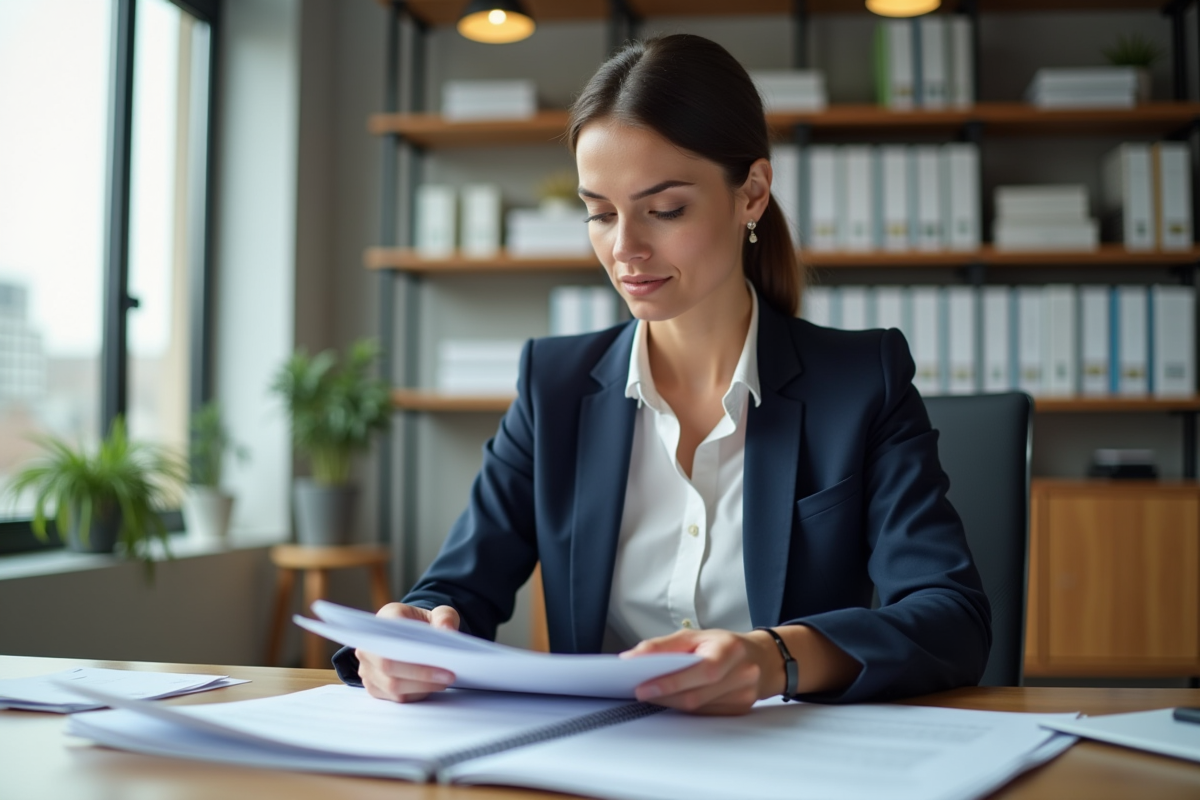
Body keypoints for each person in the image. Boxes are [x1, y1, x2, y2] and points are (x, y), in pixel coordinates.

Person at [333, 33, 991, 715]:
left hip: (789, 757)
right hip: (598, 759)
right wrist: (410, 637)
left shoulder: (861, 382)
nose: (625, 249)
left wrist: (776, 658)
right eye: (599, 213)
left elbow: (952, 618)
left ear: (753, 194)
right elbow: (455, 592)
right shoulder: (552, 387)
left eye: (665, 209)